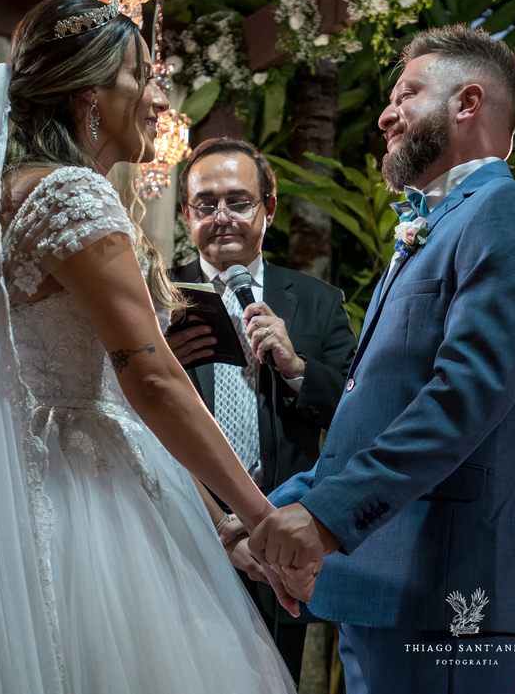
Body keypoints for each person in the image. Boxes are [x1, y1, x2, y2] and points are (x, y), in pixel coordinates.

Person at [0, 0, 309, 694]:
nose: (157, 98)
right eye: (141, 75)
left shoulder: (3, 195)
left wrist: (219, 519)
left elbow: (126, 397)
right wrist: (263, 516)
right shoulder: (73, 192)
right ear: (90, 94)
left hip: (3, 483)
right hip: (78, 494)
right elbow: (152, 380)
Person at [246, 24, 515, 694]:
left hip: (448, 586)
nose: (385, 114)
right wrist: (259, 516)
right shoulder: (433, 224)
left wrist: (325, 521)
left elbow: (463, 400)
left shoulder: (510, 210)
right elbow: (371, 419)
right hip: (378, 584)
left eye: (408, 93)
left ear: (468, 103)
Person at [168, 136, 356, 682]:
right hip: (178, 530)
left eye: (238, 201)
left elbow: (357, 407)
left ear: (268, 208)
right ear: (186, 213)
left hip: (278, 541)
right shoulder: (156, 293)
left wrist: (297, 367)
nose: (221, 217)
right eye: (205, 204)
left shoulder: (317, 302)